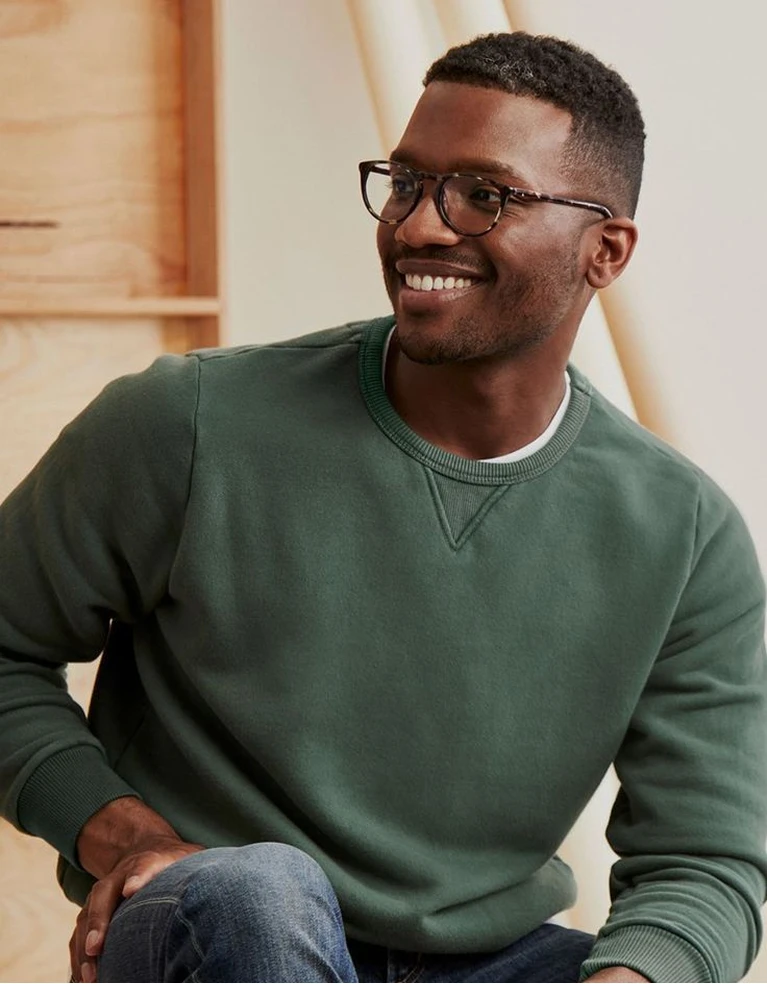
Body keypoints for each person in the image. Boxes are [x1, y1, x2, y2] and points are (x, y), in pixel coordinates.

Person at [0, 30, 765, 984]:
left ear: (603, 251)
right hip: (222, 920)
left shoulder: (684, 536)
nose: (417, 227)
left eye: (483, 195)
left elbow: (704, 861)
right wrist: (124, 836)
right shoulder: (185, 424)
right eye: (405, 182)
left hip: (486, 961)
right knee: (260, 892)